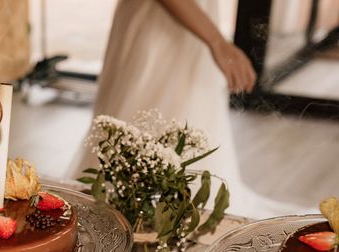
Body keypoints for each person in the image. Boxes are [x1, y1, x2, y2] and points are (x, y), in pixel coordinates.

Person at [68, 0, 265, 217]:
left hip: (196, 25)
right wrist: (218, 42)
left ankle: (167, 215)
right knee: (144, 129)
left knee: (189, 123)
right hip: (158, 31)